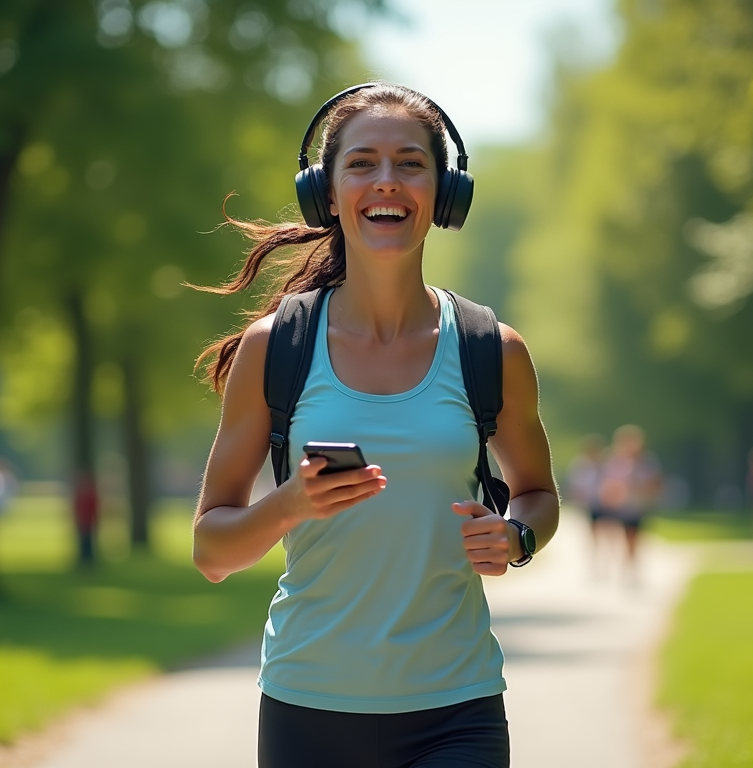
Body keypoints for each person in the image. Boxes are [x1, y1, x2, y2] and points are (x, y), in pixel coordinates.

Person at [191, 82, 560, 768]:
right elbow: (212, 552)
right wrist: (290, 505)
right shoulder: (277, 349)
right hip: (309, 709)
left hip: (458, 709)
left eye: (409, 163)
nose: (385, 181)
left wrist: (516, 537)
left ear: (444, 193)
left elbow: (539, 492)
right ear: (326, 193)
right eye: (361, 163)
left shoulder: (491, 350)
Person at [596, 424, 661, 582]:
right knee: (613, 538)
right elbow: (606, 483)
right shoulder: (614, 461)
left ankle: (630, 569)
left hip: (636, 507)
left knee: (633, 538)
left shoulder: (647, 461)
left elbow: (655, 483)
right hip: (616, 506)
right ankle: (610, 567)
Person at [566, 433, 609, 574]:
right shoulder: (581, 465)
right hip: (591, 504)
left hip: (607, 504)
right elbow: (576, 486)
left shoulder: (607, 464)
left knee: (608, 532)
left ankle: (606, 560)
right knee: (593, 533)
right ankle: (595, 562)